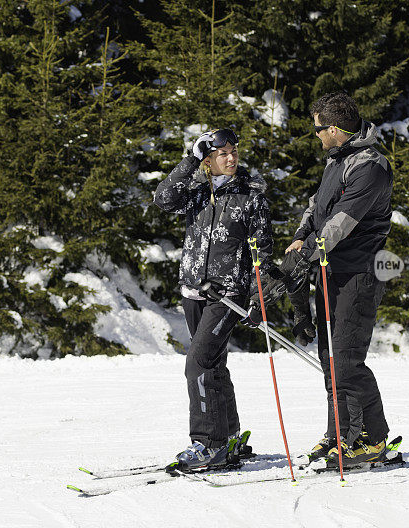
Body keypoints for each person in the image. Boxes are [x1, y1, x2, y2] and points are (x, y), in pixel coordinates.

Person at [282, 92, 394, 466]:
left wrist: (309, 251)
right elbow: (317, 206)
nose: (315, 135)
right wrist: (300, 236)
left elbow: (341, 223)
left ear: (333, 129)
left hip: (359, 272)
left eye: (317, 129)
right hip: (330, 271)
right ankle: (339, 432)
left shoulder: (370, 166)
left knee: (347, 360)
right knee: (330, 359)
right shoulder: (339, 160)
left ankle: (373, 439)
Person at [153, 128, 274, 471]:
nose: (232, 158)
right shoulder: (194, 191)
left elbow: (262, 252)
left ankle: (208, 444)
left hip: (228, 294)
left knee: (198, 363)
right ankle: (229, 435)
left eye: (234, 151)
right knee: (213, 364)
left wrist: (257, 297)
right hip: (194, 291)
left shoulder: (250, 197)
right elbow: (163, 199)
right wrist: (189, 159)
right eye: (223, 154)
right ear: (208, 160)